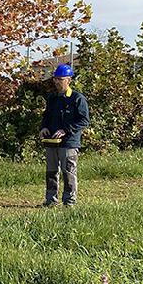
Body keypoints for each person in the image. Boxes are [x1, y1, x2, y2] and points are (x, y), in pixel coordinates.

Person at [39, 63, 89, 206]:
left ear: (69, 80)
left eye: (60, 79)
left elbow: (84, 120)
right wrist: (43, 128)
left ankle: (69, 201)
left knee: (68, 172)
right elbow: (46, 116)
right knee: (51, 172)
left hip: (69, 142)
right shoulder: (52, 98)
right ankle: (50, 200)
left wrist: (65, 130)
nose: (57, 82)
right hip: (51, 141)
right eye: (55, 79)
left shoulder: (77, 98)